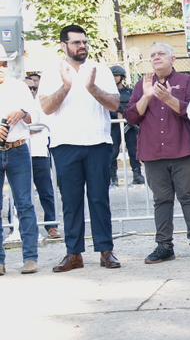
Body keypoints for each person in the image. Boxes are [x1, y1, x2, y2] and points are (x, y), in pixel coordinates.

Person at [38, 25, 121, 272]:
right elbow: (46, 107)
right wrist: (65, 87)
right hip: (65, 145)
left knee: (99, 199)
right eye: (76, 42)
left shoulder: (100, 70)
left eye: (84, 42)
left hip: (98, 144)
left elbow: (114, 104)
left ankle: (106, 251)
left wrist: (92, 87)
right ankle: (74, 254)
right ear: (63, 45)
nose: (82, 46)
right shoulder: (51, 72)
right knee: (71, 202)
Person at [124, 42, 190, 264]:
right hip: (153, 152)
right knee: (161, 200)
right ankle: (164, 246)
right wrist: (146, 96)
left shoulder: (186, 81)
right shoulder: (142, 84)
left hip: (182, 150)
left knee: (189, 197)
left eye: (161, 54)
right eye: (153, 54)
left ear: (173, 59)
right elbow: (131, 117)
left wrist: (169, 99)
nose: (156, 57)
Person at [0, 48, 40, 275]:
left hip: (18, 148)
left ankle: (30, 257)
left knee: (24, 204)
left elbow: (34, 117)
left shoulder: (19, 86)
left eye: (3, 63)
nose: (1, 68)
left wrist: (22, 113)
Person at [24, 72, 59, 240]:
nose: (32, 90)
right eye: (28, 88)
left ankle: (51, 225)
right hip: (20, 152)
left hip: (39, 152)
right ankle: (17, 227)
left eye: (34, 87)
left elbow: (41, 124)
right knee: (19, 194)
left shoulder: (40, 101)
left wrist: (25, 128)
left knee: (46, 191)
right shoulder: (17, 100)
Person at [109, 65, 143, 186]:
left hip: (130, 126)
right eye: (112, 76)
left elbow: (135, 106)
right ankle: (113, 177)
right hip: (114, 126)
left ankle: (137, 174)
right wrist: (116, 113)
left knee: (133, 150)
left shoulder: (130, 92)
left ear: (122, 77)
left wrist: (126, 114)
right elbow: (107, 107)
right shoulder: (108, 93)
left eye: (116, 75)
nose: (114, 78)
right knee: (113, 152)